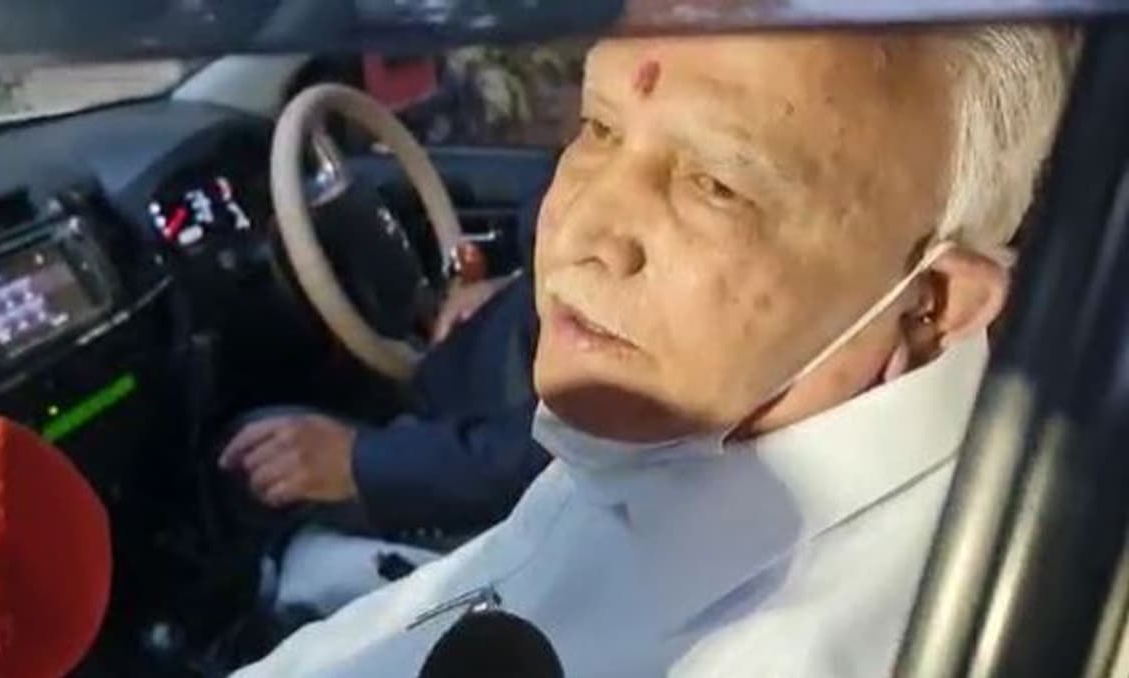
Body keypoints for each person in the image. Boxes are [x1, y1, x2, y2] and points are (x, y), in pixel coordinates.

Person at [235, 25, 1076, 677]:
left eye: (717, 185)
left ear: (932, 305)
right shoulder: (693, 425)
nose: (582, 226)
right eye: (598, 127)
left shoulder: (803, 646)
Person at [218, 208, 550, 541]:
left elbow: (553, 457)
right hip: (472, 398)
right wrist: (517, 283)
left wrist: (358, 463)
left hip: (492, 499)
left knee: (250, 464)